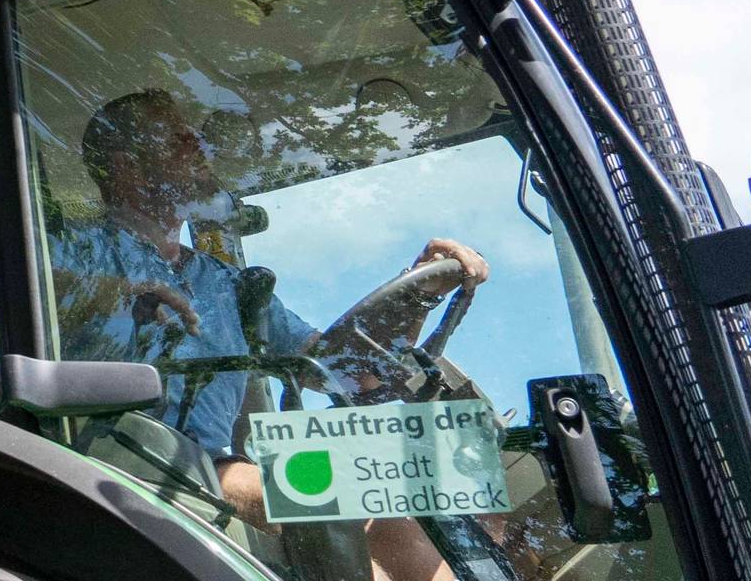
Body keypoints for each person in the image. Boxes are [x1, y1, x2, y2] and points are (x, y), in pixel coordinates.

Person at [54, 89, 487, 580]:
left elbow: (341, 369)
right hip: (123, 458)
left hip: (211, 464)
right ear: (128, 166)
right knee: (326, 503)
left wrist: (419, 291)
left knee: (397, 510)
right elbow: (41, 287)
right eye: (177, 138)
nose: (198, 142)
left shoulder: (225, 283)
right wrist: (118, 292)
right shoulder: (73, 250)